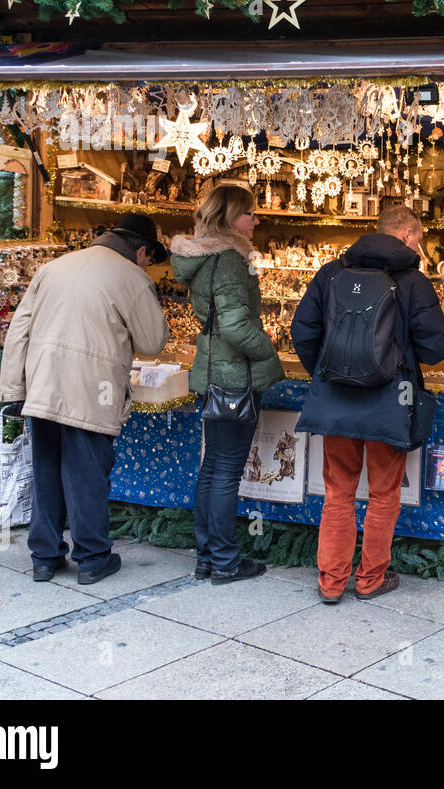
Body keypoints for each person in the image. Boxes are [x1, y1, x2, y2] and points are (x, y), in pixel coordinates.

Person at [291, 205, 444, 603]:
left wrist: (330, 374)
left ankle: (330, 583)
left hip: (337, 400)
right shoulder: (413, 281)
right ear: (408, 236)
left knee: (338, 492)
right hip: (391, 402)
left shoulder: (330, 273)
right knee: (383, 494)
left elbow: (302, 331)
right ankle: (370, 579)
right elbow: (437, 349)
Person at [0, 214, 169, 584]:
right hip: (92, 389)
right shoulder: (132, 277)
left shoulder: (53, 268)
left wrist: (13, 390)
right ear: (141, 250)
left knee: (47, 470)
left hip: (43, 384)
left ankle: (44, 558)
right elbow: (153, 342)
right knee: (86, 472)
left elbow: (18, 332)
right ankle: (92, 558)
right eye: (149, 258)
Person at [170, 184, 284, 585]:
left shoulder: (202, 256)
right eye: (249, 213)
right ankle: (224, 561)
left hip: (213, 370)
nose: (255, 220)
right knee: (225, 471)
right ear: (230, 217)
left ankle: (206, 556)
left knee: (212, 467)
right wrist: (268, 352)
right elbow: (235, 324)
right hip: (236, 377)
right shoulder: (231, 260)